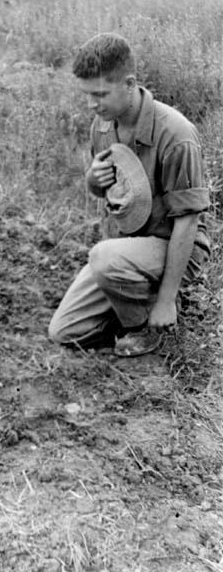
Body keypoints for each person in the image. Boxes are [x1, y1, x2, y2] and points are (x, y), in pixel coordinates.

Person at [48, 32, 210, 356]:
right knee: (65, 330)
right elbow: (110, 193)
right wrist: (93, 180)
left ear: (129, 83)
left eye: (100, 94)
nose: (92, 105)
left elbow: (188, 222)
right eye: (87, 95)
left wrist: (166, 301)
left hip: (178, 246)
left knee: (103, 258)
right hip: (130, 249)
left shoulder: (176, 135)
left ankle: (148, 327)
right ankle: (134, 299)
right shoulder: (103, 124)